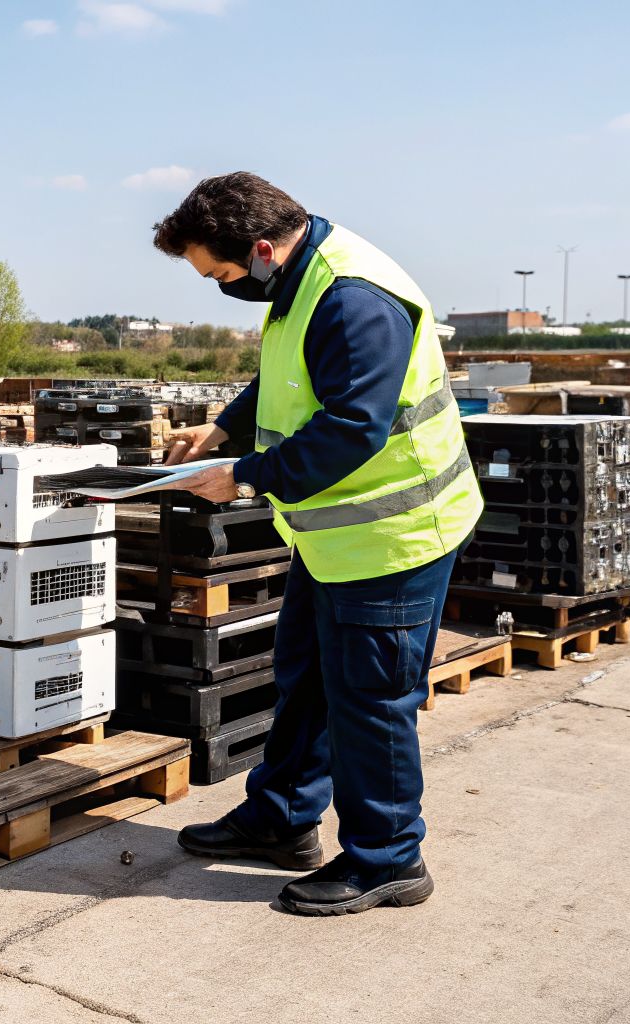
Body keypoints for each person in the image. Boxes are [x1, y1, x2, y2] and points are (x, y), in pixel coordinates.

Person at [153, 172, 482, 917]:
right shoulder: (296, 280)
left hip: (394, 537)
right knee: (305, 680)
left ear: (261, 249)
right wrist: (224, 428)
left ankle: (388, 859)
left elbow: (352, 428)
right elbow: (289, 378)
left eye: (219, 274)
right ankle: (282, 819)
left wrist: (241, 476)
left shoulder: (352, 299)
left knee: (371, 699)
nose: (221, 287)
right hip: (335, 537)